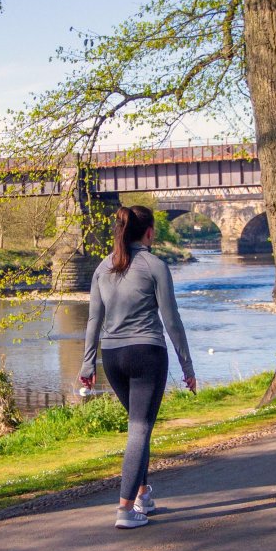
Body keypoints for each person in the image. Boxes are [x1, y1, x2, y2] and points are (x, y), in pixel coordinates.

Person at [79, 205, 196, 529]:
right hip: (146, 353)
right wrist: (187, 366)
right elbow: (171, 320)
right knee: (140, 429)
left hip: (113, 356)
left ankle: (143, 495)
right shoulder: (155, 265)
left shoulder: (103, 267)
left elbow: (93, 320)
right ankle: (125, 509)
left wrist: (88, 365)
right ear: (149, 232)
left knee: (137, 427)